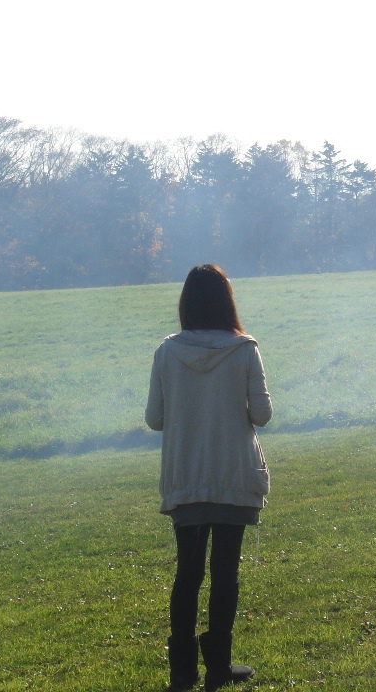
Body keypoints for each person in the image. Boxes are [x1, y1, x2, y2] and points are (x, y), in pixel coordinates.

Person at [145, 264, 273, 691]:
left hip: (186, 475)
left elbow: (155, 418)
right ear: (226, 301)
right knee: (225, 574)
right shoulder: (244, 349)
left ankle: (181, 671)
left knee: (188, 574)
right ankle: (219, 665)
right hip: (232, 473)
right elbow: (262, 414)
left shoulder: (167, 352)